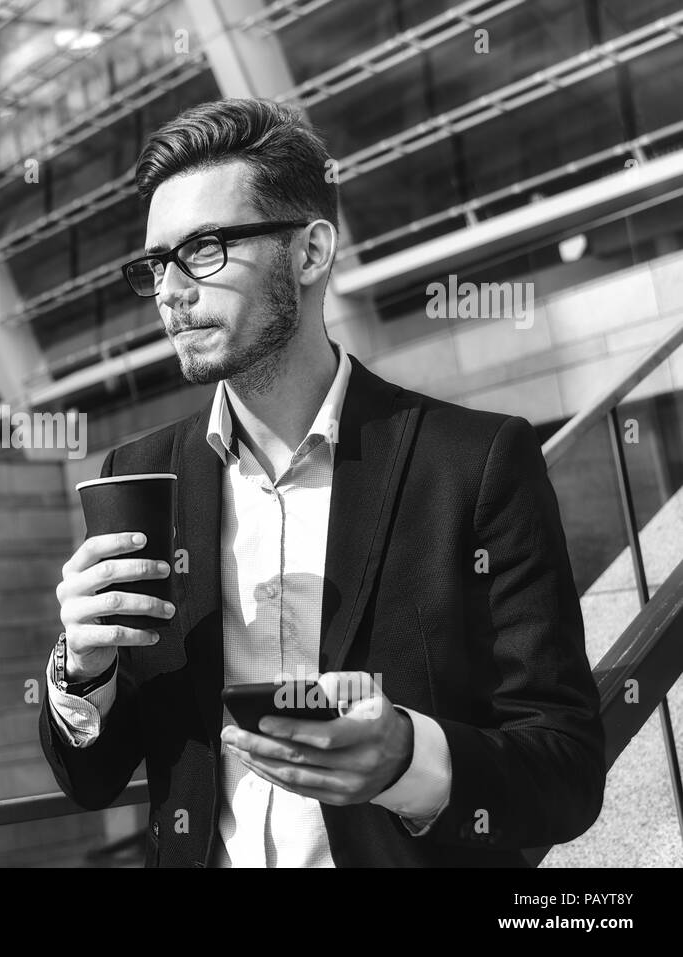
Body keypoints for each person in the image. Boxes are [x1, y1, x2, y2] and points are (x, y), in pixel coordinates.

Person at [38, 97, 605, 867]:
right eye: (155, 263)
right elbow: (95, 778)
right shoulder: (142, 475)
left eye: (203, 248)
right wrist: (84, 665)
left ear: (309, 253)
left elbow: (567, 769)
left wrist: (408, 757)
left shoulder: (475, 464)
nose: (170, 292)